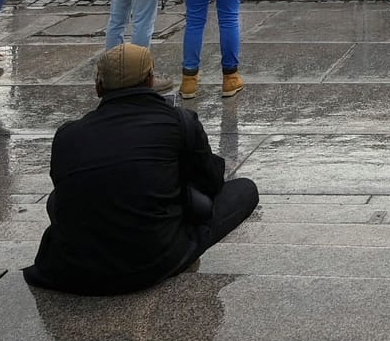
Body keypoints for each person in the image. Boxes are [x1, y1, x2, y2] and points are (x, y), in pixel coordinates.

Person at [23, 43, 259, 295]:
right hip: (150, 262)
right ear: (150, 80)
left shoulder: (67, 135)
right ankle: (175, 247)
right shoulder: (178, 121)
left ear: (98, 86)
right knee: (244, 190)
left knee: (59, 197)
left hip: (71, 269)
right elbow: (211, 182)